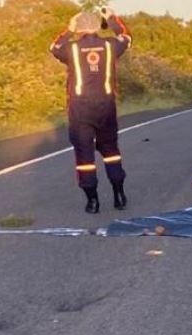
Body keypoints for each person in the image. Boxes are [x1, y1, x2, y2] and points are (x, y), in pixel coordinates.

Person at [50, 6, 131, 213]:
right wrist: (111, 19)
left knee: (84, 155)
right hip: (106, 106)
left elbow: (54, 47)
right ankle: (119, 195)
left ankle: (92, 202)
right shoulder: (111, 45)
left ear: (78, 28)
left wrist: (68, 30)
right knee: (111, 151)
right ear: (97, 26)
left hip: (80, 109)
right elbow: (126, 37)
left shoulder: (71, 48)